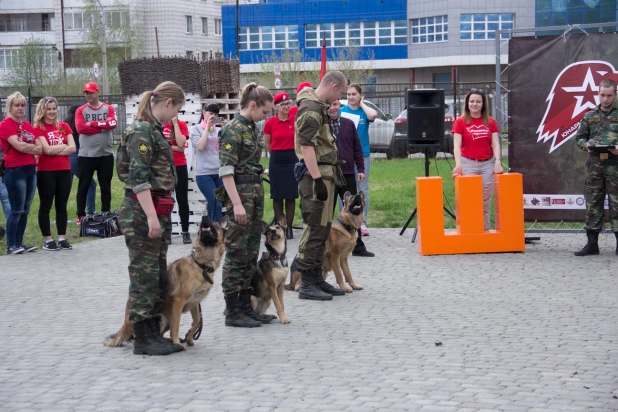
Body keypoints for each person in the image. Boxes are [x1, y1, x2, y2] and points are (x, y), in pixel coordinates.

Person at [116, 81, 186, 356]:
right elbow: (139, 180)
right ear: (168, 103)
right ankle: (143, 337)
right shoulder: (141, 131)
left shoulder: (153, 130)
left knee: (157, 274)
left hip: (156, 209)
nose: (175, 117)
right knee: (144, 276)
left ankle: (151, 331)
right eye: (176, 110)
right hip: (144, 212)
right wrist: (151, 216)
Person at [219, 83, 273, 327]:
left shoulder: (251, 127)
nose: (266, 117)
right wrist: (237, 204)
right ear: (253, 105)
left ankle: (245, 306)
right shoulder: (232, 129)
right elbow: (226, 170)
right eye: (264, 112)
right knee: (236, 253)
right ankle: (232, 311)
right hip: (240, 195)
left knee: (250, 253)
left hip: (254, 194)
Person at [294, 71, 348, 301]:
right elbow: (307, 146)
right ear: (334, 87)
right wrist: (316, 178)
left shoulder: (318, 107)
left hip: (325, 173)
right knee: (315, 229)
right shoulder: (312, 109)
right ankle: (307, 282)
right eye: (341, 92)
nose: (340, 98)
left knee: (323, 229)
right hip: (315, 176)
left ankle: (316, 278)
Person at [573, 78, 618, 256]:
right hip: (595, 167)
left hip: (615, 167)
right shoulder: (590, 115)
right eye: (602, 95)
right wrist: (587, 146)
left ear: (615, 94)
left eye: (609, 95)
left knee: (617, 204)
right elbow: (579, 138)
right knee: (593, 204)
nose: (605, 99)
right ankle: (592, 244)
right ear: (598, 94)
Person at [327, 99, 374, 257]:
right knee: (326, 211)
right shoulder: (321, 124)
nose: (333, 108)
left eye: (335, 105)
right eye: (329, 105)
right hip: (328, 174)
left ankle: (358, 246)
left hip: (347, 173)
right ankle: (324, 245)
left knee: (354, 209)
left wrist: (360, 168)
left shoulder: (348, 123)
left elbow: (357, 148)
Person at [451, 89, 503, 231]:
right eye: (472, 101)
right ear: (467, 103)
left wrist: (497, 161)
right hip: (468, 164)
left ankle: (484, 231)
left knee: (485, 200)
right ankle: (470, 231)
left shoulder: (491, 122)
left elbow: (496, 144)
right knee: (470, 199)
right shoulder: (460, 122)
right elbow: (457, 146)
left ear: (483, 104)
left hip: (487, 164)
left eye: (478, 101)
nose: (475, 104)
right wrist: (458, 165)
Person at [0, 92, 42, 254]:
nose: (20, 108)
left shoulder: (27, 125)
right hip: (15, 170)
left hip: (30, 169)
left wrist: (28, 146)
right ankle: (11, 245)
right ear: (9, 107)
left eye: (22, 105)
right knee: (16, 209)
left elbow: (40, 147)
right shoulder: (5, 125)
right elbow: (21, 147)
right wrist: (30, 147)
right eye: (16, 105)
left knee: (25, 209)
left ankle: (19, 243)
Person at [33, 97, 76, 251]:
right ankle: (48, 240)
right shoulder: (39, 128)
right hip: (46, 172)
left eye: (53, 108)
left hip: (64, 170)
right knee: (46, 205)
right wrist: (63, 146)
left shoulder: (64, 126)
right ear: (42, 110)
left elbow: (73, 148)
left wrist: (55, 149)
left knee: (62, 205)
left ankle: (62, 238)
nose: (51, 111)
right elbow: (46, 150)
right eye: (48, 108)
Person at [75, 82, 117, 226]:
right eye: (86, 93)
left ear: (98, 92)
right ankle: (81, 215)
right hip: (86, 155)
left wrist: (92, 124)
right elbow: (81, 128)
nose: (89, 95)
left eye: (91, 92)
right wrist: (102, 127)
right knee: (83, 186)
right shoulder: (81, 110)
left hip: (105, 154)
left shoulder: (108, 108)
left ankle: (106, 211)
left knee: (106, 185)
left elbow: (113, 124)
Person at [340, 84, 377, 236]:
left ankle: (362, 222)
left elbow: (373, 115)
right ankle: (344, 220)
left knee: (362, 189)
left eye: (354, 94)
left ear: (360, 95)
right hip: (346, 156)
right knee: (344, 190)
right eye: (348, 94)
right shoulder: (343, 111)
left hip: (363, 155)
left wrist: (362, 103)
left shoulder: (364, 111)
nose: (350, 97)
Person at [263, 92, 298, 239]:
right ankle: (280, 227)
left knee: (291, 195)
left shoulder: (294, 121)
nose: (286, 107)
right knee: (277, 196)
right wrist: (276, 154)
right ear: (276, 107)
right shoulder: (270, 123)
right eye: (283, 104)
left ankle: (288, 227)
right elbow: (267, 144)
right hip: (277, 159)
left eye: (288, 103)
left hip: (292, 158)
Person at [191, 103, 224, 223]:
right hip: (204, 174)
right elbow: (200, 146)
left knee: (213, 205)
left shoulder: (219, 129)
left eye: (216, 114)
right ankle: (218, 232)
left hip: (218, 172)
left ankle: (210, 233)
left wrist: (226, 129)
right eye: (211, 113)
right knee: (216, 203)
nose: (213, 116)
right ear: (203, 112)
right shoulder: (196, 129)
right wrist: (207, 128)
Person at [162, 116, 191, 244]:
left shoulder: (181, 124)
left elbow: (181, 145)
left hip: (179, 165)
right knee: (164, 200)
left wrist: (175, 124)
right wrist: (174, 148)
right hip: (164, 166)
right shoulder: (160, 124)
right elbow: (159, 146)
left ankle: (185, 231)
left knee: (182, 199)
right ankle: (166, 232)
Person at [65, 104, 97, 216]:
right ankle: (91, 212)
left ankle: (60, 215)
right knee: (91, 184)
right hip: (77, 157)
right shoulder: (79, 124)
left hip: (65, 157)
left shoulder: (64, 123)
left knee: (65, 188)